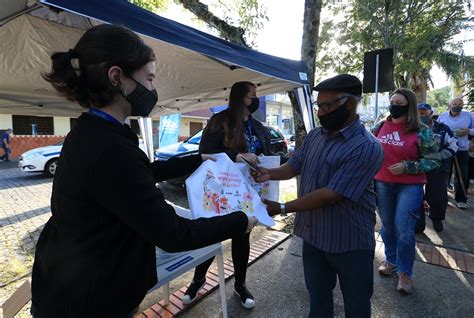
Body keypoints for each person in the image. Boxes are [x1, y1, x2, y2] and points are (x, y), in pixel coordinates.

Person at [31, 25, 257, 318]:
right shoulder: (110, 148)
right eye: (149, 78)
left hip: (71, 285)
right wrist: (241, 221)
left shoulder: (93, 131)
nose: (153, 89)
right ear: (117, 78)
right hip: (88, 301)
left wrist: (199, 158)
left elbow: (141, 174)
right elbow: (173, 234)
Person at [252, 74, 384, 317]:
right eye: (318, 106)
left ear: (350, 104)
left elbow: (330, 194)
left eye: (327, 106)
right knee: (318, 300)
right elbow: (294, 166)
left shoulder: (367, 147)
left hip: (349, 242)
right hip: (314, 237)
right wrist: (267, 173)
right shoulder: (315, 136)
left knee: (356, 306)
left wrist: (281, 208)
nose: (321, 112)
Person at [182, 81, 272, 309]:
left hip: (248, 192)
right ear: (241, 97)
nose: (256, 99)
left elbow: (265, 153)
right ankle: (198, 280)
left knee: (242, 236)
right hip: (221, 190)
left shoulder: (257, 126)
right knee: (213, 234)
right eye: (253, 95)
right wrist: (237, 155)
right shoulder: (219, 121)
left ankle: (240, 285)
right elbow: (206, 152)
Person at [373, 89, 440, 294]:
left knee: (404, 230)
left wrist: (407, 167)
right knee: (387, 228)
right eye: (392, 101)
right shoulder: (380, 126)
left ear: (408, 105)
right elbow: (369, 151)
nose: (393, 105)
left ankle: (405, 272)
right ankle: (391, 260)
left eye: (399, 102)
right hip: (383, 184)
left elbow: (434, 161)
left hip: (409, 186)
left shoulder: (421, 130)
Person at [415, 103, 457, 233]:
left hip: (439, 168)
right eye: (418, 113)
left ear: (431, 113)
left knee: (438, 197)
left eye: (424, 113)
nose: (421, 115)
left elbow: (454, 145)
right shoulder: (412, 128)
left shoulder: (442, 128)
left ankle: (436, 218)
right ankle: (418, 222)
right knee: (415, 196)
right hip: (417, 167)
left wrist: (439, 156)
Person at [438, 98, 474, 209]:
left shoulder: (469, 116)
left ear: (463, 105)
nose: (457, 106)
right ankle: (443, 197)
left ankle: (461, 199)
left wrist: (468, 131)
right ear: (449, 105)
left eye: (460, 104)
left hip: (462, 148)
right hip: (446, 149)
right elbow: (437, 130)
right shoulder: (442, 116)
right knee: (444, 172)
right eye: (454, 104)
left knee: (462, 174)